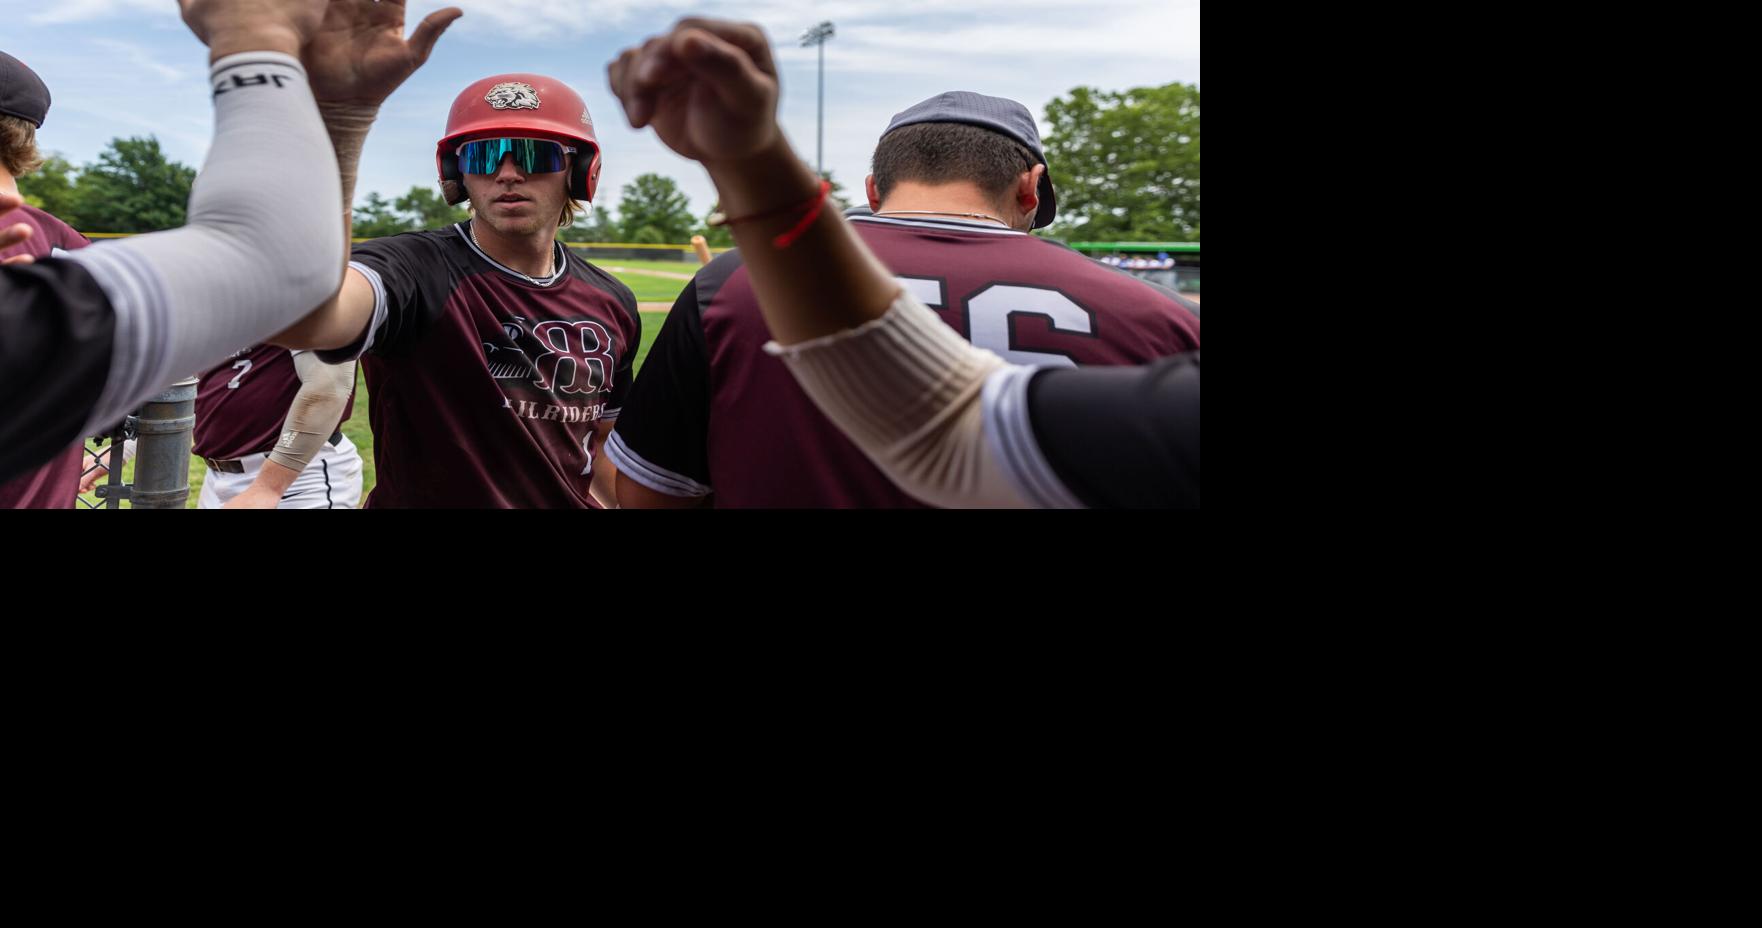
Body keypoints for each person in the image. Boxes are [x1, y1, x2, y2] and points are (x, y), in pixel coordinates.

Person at [606, 18, 1198, 508]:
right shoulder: (1165, 315)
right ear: (1030, 188)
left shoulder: (731, 284)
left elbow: (646, 496)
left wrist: (752, 165)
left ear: (871, 187)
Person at [0, 0, 381, 484]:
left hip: (289, 476)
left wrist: (271, 485)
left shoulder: (59, 247)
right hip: (221, 472)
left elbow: (327, 380)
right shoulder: (62, 257)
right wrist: (257, 41)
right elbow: (276, 261)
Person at [271, 52, 639, 508]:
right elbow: (311, 319)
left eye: (534, 153)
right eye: (483, 154)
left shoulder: (613, 301)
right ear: (456, 173)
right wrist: (343, 128)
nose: (507, 173)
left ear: (581, 171)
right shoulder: (413, 267)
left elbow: (599, 440)